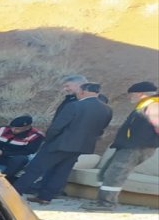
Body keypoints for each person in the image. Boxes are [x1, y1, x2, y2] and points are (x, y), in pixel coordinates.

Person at [12, 83, 112, 204]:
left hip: (59, 143)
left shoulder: (74, 105)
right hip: (81, 146)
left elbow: (57, 126)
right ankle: (45, 197)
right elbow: (100, 130)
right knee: (61, 172)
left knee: (35, 168)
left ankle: (14, 192)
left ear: (83, 91)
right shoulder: (107, 109)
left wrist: (48, 139)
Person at [89, 81, 159, 210]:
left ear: (140, 94)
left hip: (137, 147)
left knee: (115, 175)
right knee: (105, 173)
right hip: (128, 146)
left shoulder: (154, 105)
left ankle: (107, 204)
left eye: (131, 94)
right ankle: (102, 201)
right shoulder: (145, 105)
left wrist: (146, 142)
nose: (129, 97)